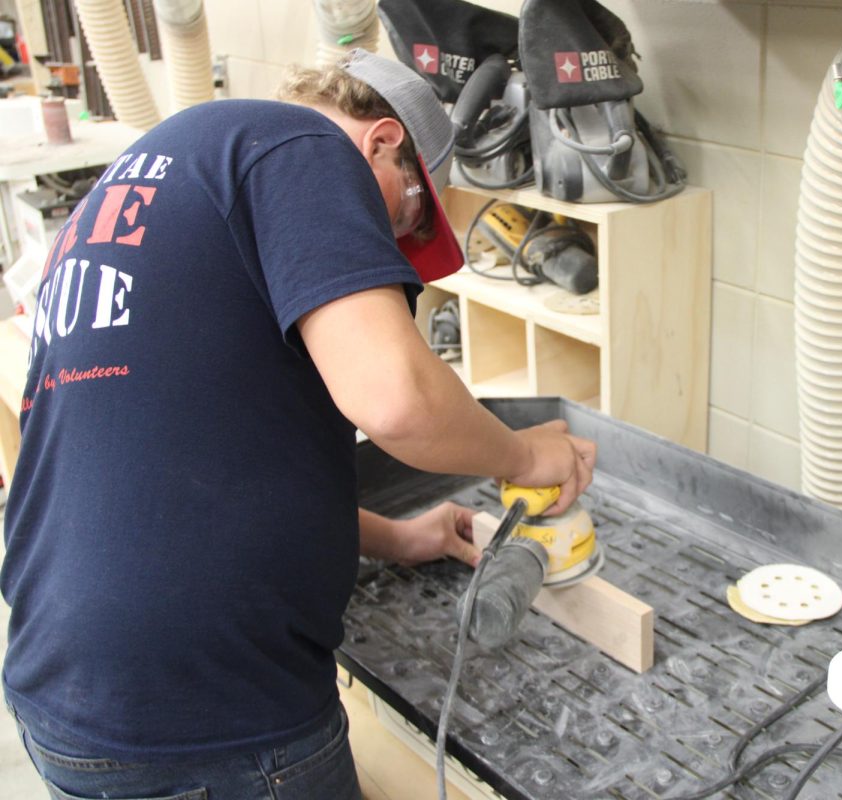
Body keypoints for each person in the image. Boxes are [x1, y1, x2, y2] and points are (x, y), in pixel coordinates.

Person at [1, 49, 595, 799]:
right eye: (411, 215)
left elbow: (186, 466)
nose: (394, 246)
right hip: (211, 711)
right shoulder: (306, 150)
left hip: (69, 684)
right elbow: (397, 402)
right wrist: (524, 455)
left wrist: (391, 535)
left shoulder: (160, 169)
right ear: (382, 143)